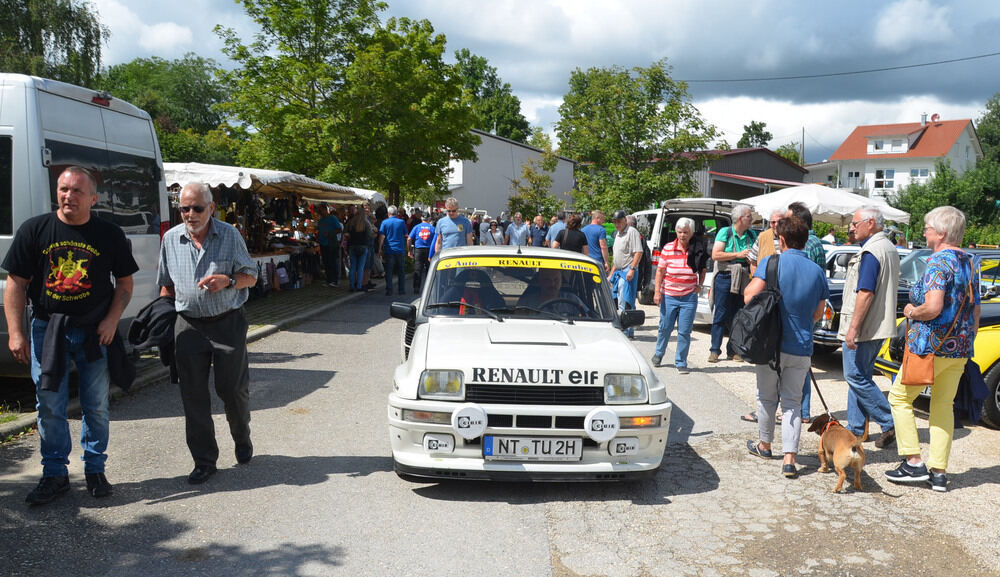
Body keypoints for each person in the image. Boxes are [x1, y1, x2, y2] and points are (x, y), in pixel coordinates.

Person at [3, 166, 138, 504]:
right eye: (63, 189)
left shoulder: (109, 235)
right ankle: (54, 475)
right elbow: (16, 284)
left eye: (77, 191)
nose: (68, 196)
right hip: (48, 330)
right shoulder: (35, 230)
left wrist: (111, 321)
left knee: (96, 406)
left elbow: (125, 283)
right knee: (49, 405)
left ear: (93, 198)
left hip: (95, 333)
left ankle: (94, 469)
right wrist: (16, 332)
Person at [157, 182, 258, 485]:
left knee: (232, 390)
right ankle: (204, 461)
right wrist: (163, 314)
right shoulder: (171, 239)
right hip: (188, 326)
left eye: (197, 208)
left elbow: (250, 276)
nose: (190, 214)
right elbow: (165, 284)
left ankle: (241, 436)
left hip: (227, 323)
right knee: (193, 396)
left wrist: (227, 281)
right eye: (184, 209)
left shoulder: (229, 234)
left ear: (211, 208)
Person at [886, 206, 980, 492]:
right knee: (943, 405)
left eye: (928, 227)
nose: (924, 231)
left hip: (930, 347)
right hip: (960, 348)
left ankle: (913, 462)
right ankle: (939, 472)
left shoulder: (938, 263)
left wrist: (911, 311)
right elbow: (975, 310)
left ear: (940, 234)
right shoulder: (969, 261)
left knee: (899, 397)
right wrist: (966, 339)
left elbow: (933, 307)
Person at [744, 216, 829, 479]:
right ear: (805, 240)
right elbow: (819, 312)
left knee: (767, 397)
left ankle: (765, 445)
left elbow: (749, 296)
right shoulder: (816, 270)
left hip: (771, 345)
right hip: (801, 346)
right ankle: (790, 459)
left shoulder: (772, 262)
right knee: (792, 403)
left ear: (781, 240)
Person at [839, 206, 900, 449]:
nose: (852, 228)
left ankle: (889, 422)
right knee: (860, 377)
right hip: (877, 326)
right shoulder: (888, 247)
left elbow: (865, 293)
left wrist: (853, 328)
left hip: (865, 328)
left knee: (854, 375)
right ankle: (855, 429)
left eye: (855, 223)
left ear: (871, 222)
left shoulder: (872, 250)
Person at [651, 218, 705, 373]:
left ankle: (681, 362)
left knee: (684, 331)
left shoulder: (697, 248)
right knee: (665, 327)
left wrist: (700, 285)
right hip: (669, 295)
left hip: (689, 296)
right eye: (680, 232)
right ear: (676, 232)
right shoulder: (668, 248)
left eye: (686, 232)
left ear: (691, 233)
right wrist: (657, 292)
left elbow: (702, 269)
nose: (682, 235)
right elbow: (660, 271)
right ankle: (659, 353)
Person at [709, 204, 757, 363]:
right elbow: (716, 254)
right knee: (721, 313)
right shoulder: (725, 232)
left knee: (739, 316)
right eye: (749, 216)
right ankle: (714, 350)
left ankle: (734, 350)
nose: (752, 219)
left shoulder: (751, 235)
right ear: (740, 218)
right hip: (725, 275)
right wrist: (738, 254)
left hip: (743, 277)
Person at [608, 210, 644, 339]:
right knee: (618, 300)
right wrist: (611, 274)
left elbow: (638, 252)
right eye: (615, 222)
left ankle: (626, 331)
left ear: (625, 220)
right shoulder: (617, 234)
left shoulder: (632, 232)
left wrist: (632, 269)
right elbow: (617, 257)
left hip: (627, 271)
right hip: (618, 271)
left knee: (625, 301)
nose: (616, 224)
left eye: (619, 221)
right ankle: (627, 330)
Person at [517, 267, 587, 316]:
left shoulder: (573, 300)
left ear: (561, 281)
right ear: (540, 281)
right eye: (547, 280)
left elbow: (587, 317)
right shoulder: (527, 302)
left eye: (556, 280)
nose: (552, 284)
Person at [378, 205, 408, 296]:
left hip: (389, 249)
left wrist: (379, 248)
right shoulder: (401, 222)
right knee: (401, 271)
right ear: (396, 213)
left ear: (388, 213)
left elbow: (382, 236)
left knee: (389, 271)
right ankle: (401, 290)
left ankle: (389, 290)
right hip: (400, 249)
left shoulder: (384, 222)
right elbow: (406, 235)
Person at [747, 210, 784, 276]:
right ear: (770, 224)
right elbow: (753, 263)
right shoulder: (762, 237)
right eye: (773, 222)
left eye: (780, 222)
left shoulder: (791, 236)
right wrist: (756, 279)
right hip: (765, 282)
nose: (776, 224)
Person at [345, 207, 373, 292]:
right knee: (361, 267)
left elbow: (346, 233)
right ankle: (359, 286)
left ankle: (351, 286)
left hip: (352, 246)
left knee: (353, 267)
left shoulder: (351, 222)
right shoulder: (366, 223)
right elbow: (369, 236)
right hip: (363, 246)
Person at [316, 204, 343, 287]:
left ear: (325, 209)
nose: (320, 212)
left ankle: (334, 280)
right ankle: (329, 280)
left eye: (321, 210)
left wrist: (330, 233)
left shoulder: (332, 218)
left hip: (331, 243)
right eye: (319, 211)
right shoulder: (320, 221)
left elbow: (339, 229)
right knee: (326, 262)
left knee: (332, 262)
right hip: (323, 243)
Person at [407, 212, 434, 293]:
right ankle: (428, 289)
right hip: (429, 251)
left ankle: (416, 288)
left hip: (418, 250)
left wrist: (409, 250)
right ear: (429, 219)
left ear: (421, 219)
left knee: (418, 270)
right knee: (429, 270)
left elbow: (409, 239)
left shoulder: (416, 227)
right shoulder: (432, 228)